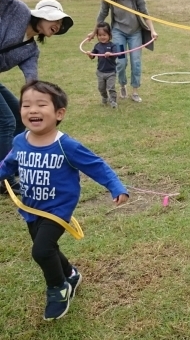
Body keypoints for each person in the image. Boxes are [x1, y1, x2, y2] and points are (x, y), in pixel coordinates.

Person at [0, 80, 129, 321]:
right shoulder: (20, 141)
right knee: (49, 247)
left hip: (57, 210)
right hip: (31, 209)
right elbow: (8, 165)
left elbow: (96, 165)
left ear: (59, 113)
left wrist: (115, 186)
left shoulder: (65, 145)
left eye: (41, 104)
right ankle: (70, 274)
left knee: (41, 250)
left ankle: (58, 289)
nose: (32, 110)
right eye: (26, 105)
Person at [0, 0, 74, 196]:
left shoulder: (31, 50)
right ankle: (5, 179)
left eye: (60, 24)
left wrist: (45, 106)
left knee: (20, 121)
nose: (58, 25)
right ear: (41, 15)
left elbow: (32, 82)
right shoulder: (16, 9)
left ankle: (10, 168)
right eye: (55, 20)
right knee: (6, 120)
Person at [91, 0, 158, 103]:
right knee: (121, 62)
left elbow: (145, 13)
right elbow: (102, 15)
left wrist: (152, 30)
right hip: (118, 32)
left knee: (136, 62)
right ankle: (122, 85)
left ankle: (135, 91)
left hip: (135, 33)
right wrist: (93, 33)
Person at [86, 22, 118, 108]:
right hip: (100, 72)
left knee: (111, 88)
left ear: (109, 35)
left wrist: (110, 53)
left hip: (111, 72)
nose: (102, 37)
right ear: (97, 36)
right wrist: (90, 54)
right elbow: (93, 56)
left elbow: (116, 54)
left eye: (104, 35)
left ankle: (113, 101)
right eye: (99, 35)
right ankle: (104, 97)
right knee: (101, 88)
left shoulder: (112, 45)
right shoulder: (97, 46)